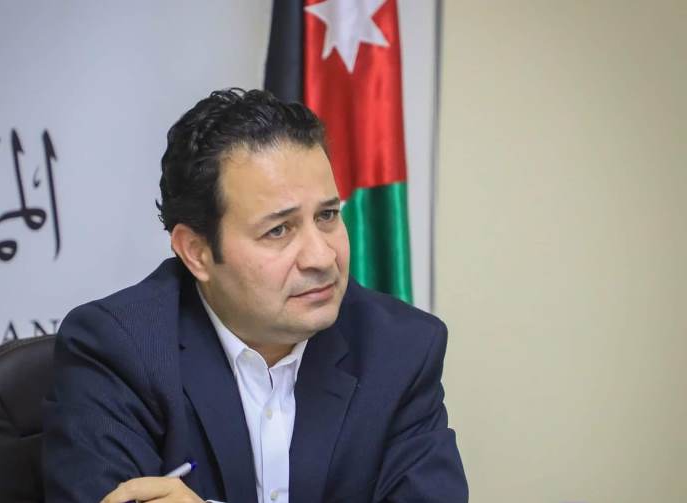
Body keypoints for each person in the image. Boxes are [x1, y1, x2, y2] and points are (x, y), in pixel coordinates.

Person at [42, 88, 468, 503]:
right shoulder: (119, 350)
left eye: (327, 216)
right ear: (197, 252)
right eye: (278, 230)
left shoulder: (400, 349)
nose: (322, 257)